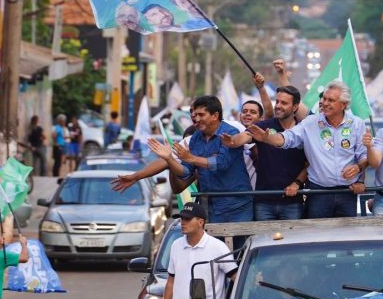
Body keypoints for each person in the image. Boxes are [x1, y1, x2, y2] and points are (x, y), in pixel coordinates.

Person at [247, 80, 367, 218]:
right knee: (316, 236)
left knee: (346, 236)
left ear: (344, 105)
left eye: (331, 100)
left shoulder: (357, 124)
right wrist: (267, 138)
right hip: (318, 193)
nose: (325, 103)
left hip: (348, 193)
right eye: (324, 99)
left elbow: (364, 156)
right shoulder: (311, 122)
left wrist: (358, 170)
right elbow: (288, 138)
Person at [148, 96, 253, 225]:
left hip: (237, 205)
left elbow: (221, 163)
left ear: (215, 115)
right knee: (214, 245)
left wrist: (191, 158)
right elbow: (186, 172)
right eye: (194, 114)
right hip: (209, 206)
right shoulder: (196, 137)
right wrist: (169, 160)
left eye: (201, 115)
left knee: (241, 245)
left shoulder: (230, 132)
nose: (196, 119)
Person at [223, 85, 308, 221]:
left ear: (295, 106)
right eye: (277, 101)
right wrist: (233, 141)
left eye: (284, 103)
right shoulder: (264, 126)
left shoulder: (305, 129)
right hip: (263, 202)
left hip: (292, 203)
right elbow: (245, 136)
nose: (278, 106)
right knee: (263, 241)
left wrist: (297, 183)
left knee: (292, 242)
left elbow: (309, 164)